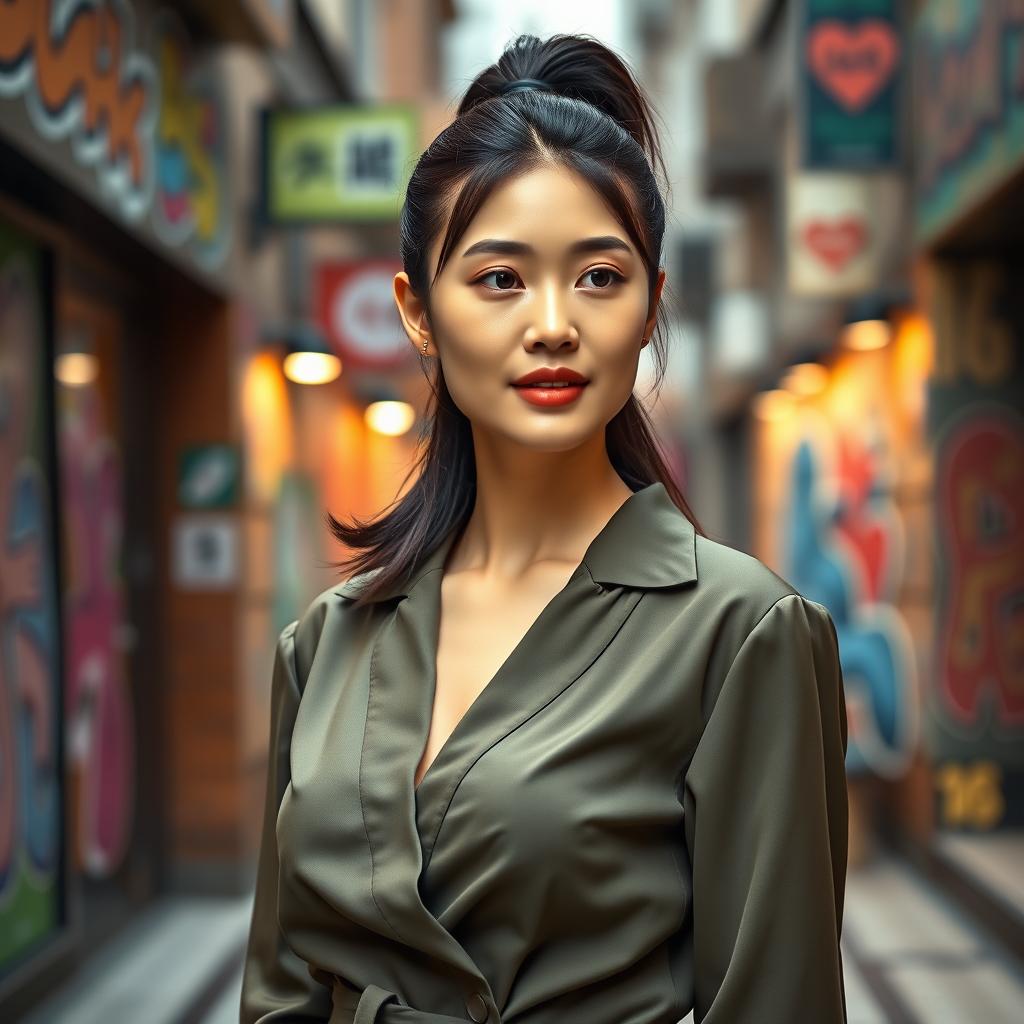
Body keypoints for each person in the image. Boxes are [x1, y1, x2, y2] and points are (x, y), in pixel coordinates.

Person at [240, 31, 849, 1024]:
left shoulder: (741, 634)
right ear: (417, 311)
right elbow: (276, 989)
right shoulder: (327, 642)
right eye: (499, 278)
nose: (554, 322)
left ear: (653, 305)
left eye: (600, 277)